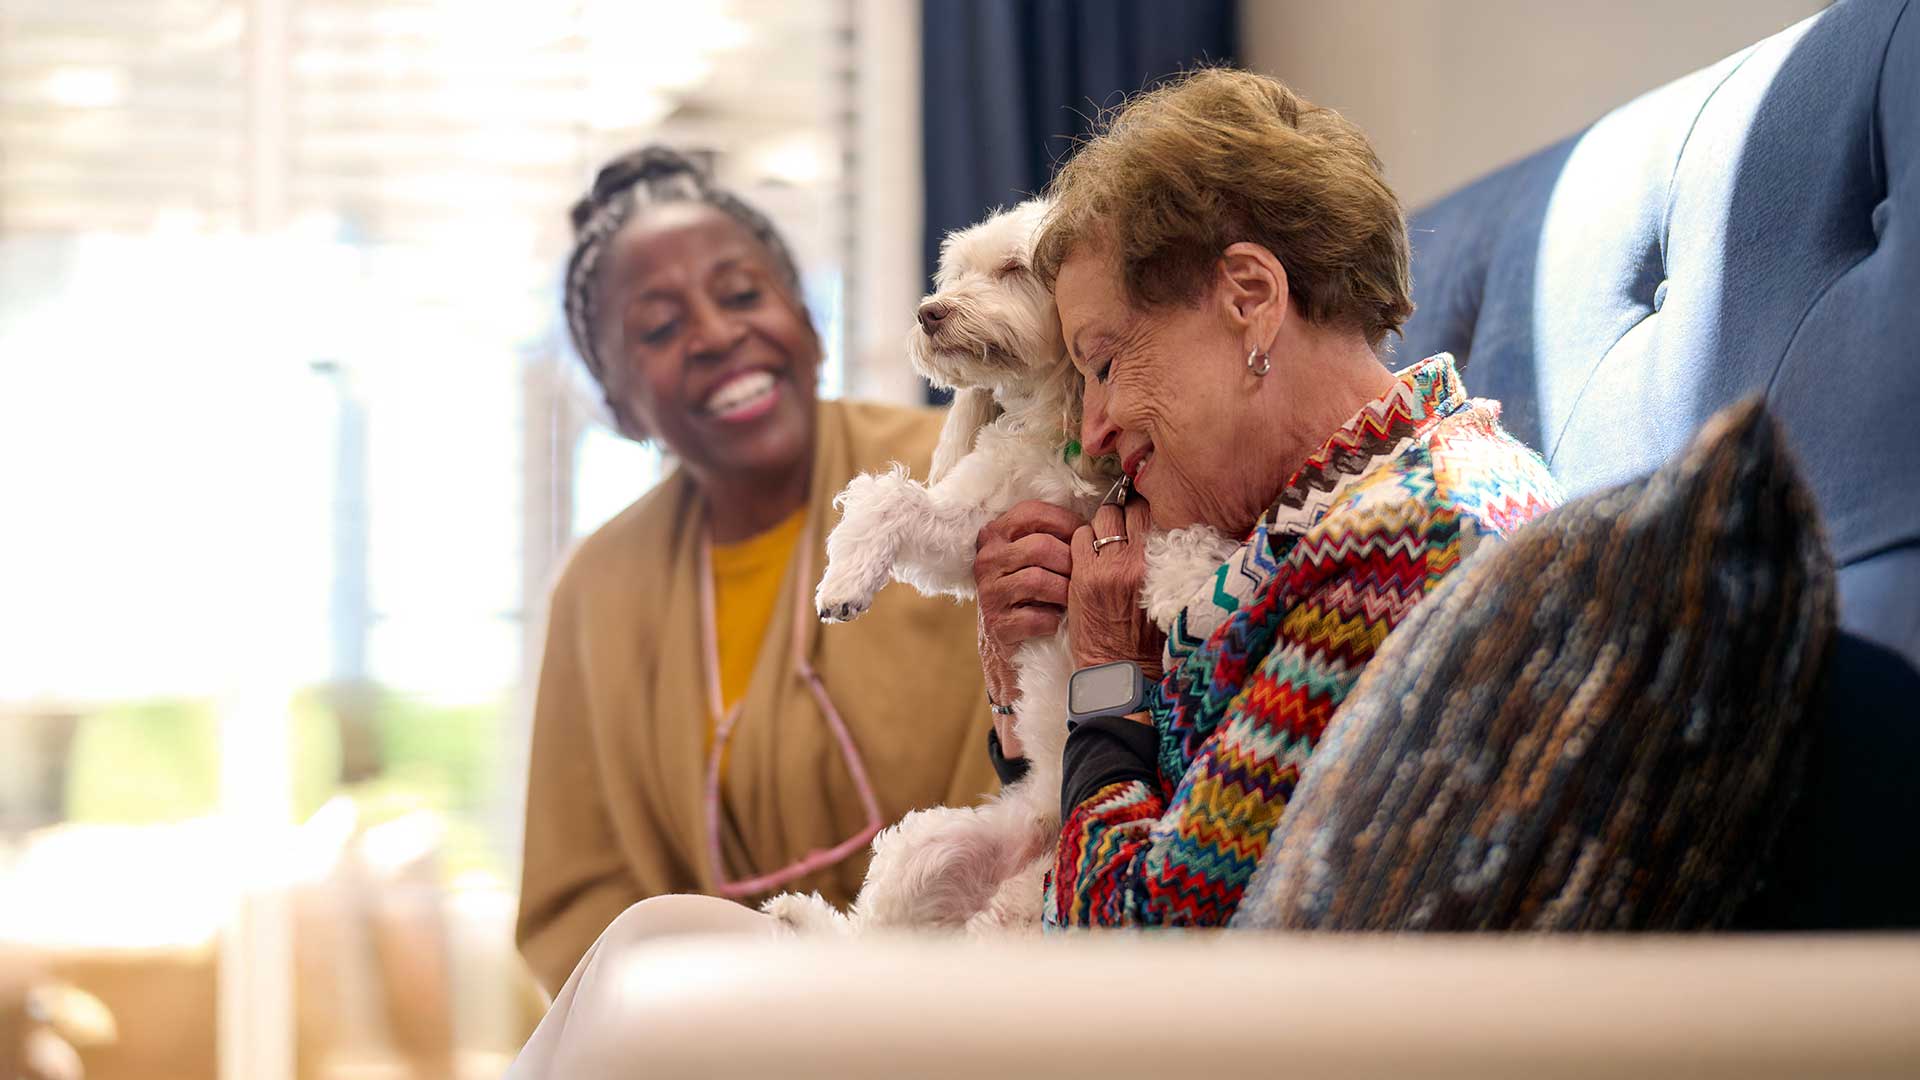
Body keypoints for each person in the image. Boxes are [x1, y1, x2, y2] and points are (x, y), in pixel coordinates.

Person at [971, 68, 1565, 928]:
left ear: (1250, 297)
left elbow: (1131, 943)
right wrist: (1018, 670)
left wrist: (1106, 670)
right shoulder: (1283, 537)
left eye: (1103, 364)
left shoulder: (1408, 538)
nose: (1093, 429)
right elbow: (1075, 845)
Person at [515, 146, 1002, 994]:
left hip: (969, 1007)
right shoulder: (598, 588)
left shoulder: (959, 478)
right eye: (660, 329)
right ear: (620, 403)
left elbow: (1047, 753)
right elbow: (578, 897)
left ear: (809, 323)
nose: (714, 334)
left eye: (743, 295)